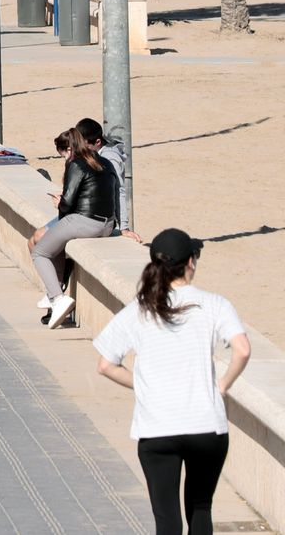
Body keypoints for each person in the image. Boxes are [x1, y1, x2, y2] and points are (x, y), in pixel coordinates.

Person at [94, 229, 251, 535]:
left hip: (157, 428)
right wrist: (222, 385)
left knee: (167, 521)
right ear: (191, 262)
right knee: (201, 507)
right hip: (206, 426)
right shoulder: (214, 303)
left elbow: (105, 365)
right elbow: (242, 349)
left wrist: (142, 384)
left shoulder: (139, 309)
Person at [31, 127, 121, 329]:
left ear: (70, 149)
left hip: (85, 222)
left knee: (39, 252)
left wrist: (58, 203)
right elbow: (115, 194)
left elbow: (68, 203)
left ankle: (57, 298)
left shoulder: (76, 164)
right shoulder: (104, 161)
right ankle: (52, 294)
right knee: (55, 243)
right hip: (106, 224)